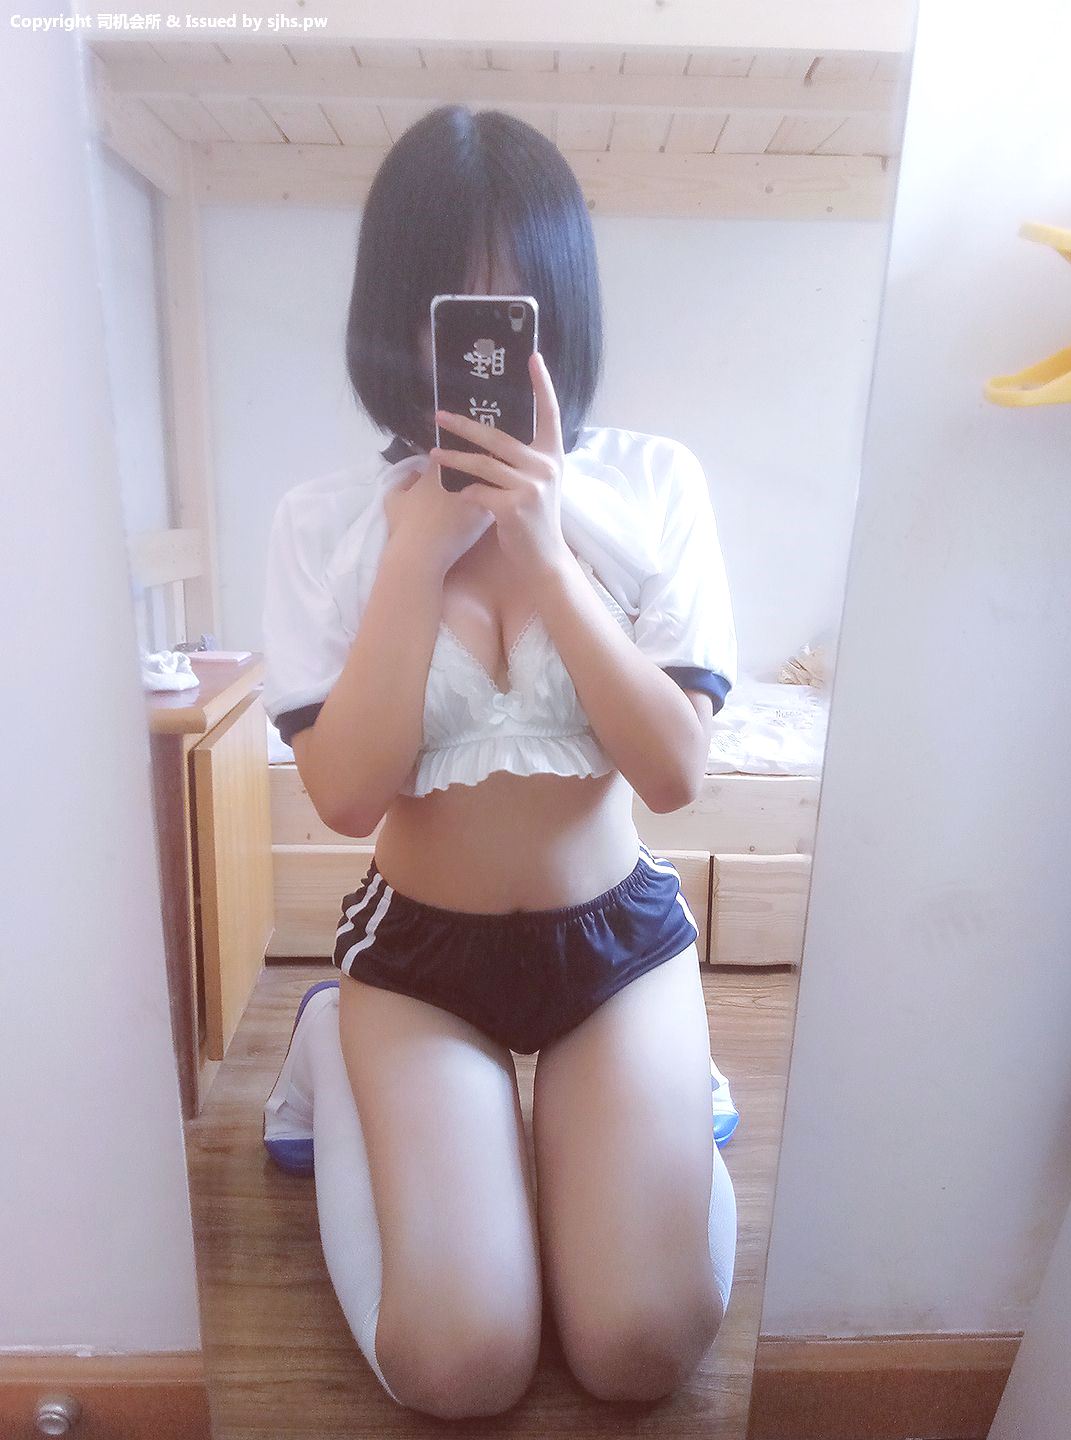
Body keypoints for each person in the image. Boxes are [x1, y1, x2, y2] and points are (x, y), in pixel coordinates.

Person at [259, 104, 739, 1421]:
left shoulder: (653, 486)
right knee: (461, 1365)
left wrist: (543, 551)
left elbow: (674, 771)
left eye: (512, 305)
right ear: (394, 318)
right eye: (446, 308)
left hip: (617, 947)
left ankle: (667, 1090)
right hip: (422, 961)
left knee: (639, 1347)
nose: (477, 347)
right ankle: (336, 1048)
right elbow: (347, 793)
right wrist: (421, 553)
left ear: (558, 310)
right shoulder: (327, 525)